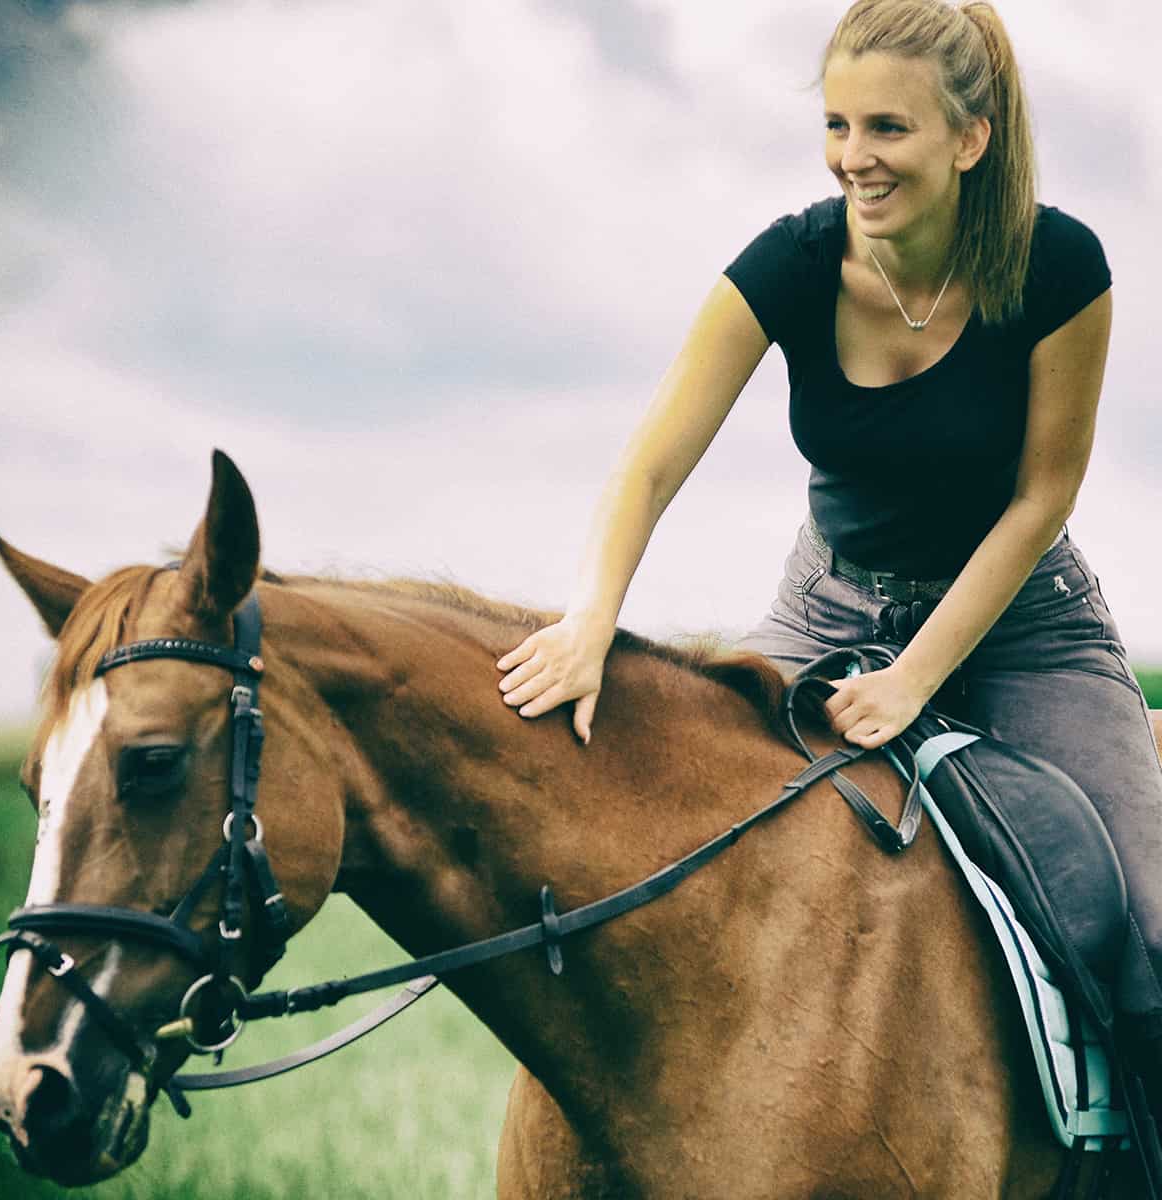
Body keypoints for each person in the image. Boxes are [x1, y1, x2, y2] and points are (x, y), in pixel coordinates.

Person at [494, 0, 1162, 1110]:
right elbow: (650, 463)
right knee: (686, 836)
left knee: (1147, 920)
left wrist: (915, 679)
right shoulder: (793, 263)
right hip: (829, 605)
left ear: (970, 138)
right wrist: (591, 619)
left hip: (1022, 620)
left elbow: (1041, 499)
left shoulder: (1059, 266)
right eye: (838, 125)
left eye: (888, 128)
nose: (856, 157)